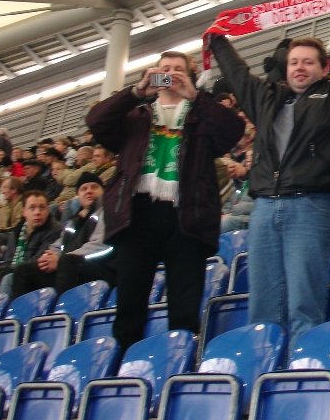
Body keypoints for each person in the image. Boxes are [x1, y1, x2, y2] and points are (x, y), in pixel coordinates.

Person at [209, 26, 330, 346]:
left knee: (305, 301)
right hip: (264, 208)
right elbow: (237, 74)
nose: (299, 68)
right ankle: (265, 365)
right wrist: (217, 41)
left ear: (324, 67)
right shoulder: (266, 98)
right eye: (294, 62)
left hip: (310, 205)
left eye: (308, 62)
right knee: (263, 303)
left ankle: (302, 364)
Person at [86, 50, 243, 353]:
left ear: (190, 76)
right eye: (165, 69)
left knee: (184, 306)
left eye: (178, 69)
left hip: (186, 216)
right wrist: (135, 92)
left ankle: (179, 361)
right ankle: (125, 364)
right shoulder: (136, 116)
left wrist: (195, 96)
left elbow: (232, 131)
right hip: (137, 215)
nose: (170, 74)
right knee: (129, 304)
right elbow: (96, 121)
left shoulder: (201, 116)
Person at [11, 175, 115, 297]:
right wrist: (48, 258)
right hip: (69, 270)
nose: (89, 191)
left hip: (102, 268)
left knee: (68, 261)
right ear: (78, 196)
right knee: (23, 271)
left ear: (103, 191)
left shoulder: (108, 212)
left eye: (94, 187)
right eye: (84, 188)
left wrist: (60, 260)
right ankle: (21, 310)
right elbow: (57, 246)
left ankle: (65, 307)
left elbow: (101, 246)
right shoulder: (74, 222)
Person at [0, 190, 61, 299]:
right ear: (24, 211)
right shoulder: (17, 231)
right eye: (32, 208)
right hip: (16, 273)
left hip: (38, 278)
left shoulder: (55, 230)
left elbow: (37, 262)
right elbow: (9, 261)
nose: (37, 212)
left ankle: (12, 310)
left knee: (8, 279)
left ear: (48, 210)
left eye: (42, 208)